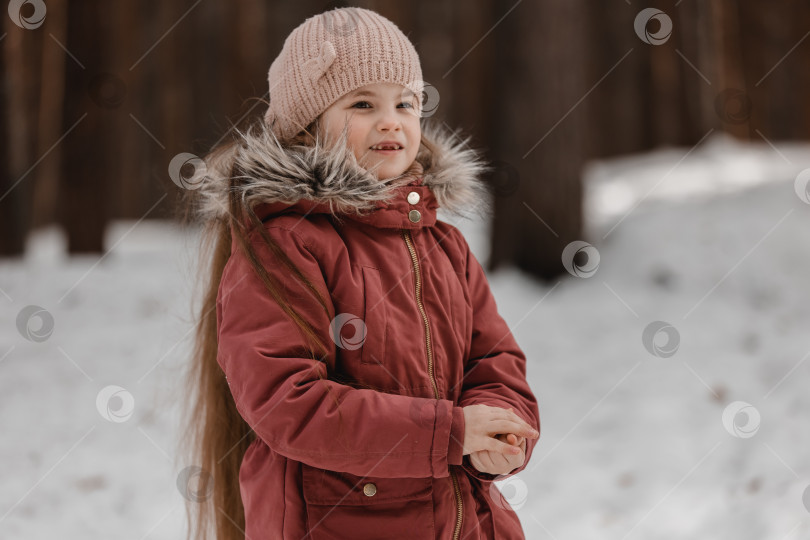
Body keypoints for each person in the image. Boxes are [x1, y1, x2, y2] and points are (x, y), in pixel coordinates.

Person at [180, 7, 541, 540]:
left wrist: (501, 429)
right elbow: (288, 401)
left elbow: (493, 358)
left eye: (406, 102)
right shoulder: (287, 244)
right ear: (307, 126)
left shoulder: (443, 243)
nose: (392, 120)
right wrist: (447, 433)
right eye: (363, 104)